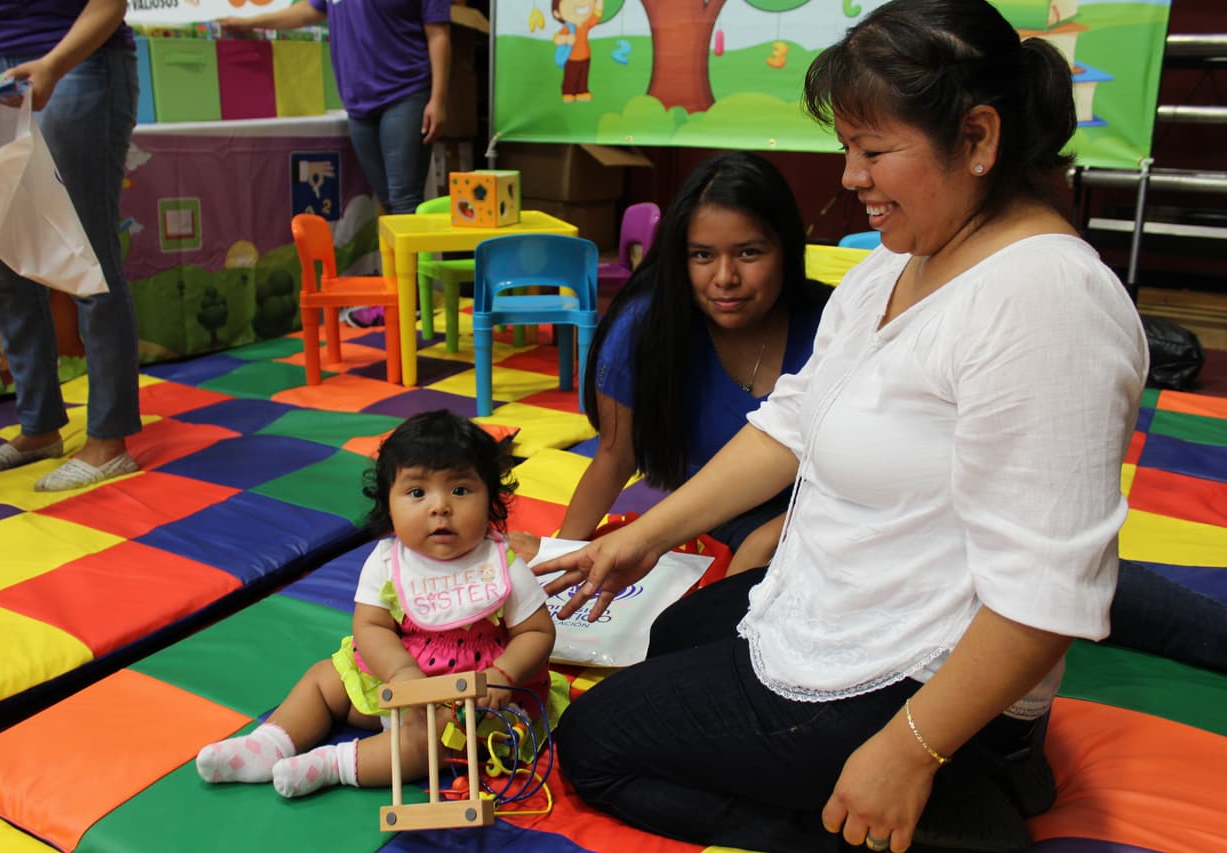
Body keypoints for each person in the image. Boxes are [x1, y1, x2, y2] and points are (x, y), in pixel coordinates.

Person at [535, 2, 1155, 851]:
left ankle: (941, 806)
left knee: (592, 746)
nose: (851, 177)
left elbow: (1046, 596)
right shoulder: (897, 258)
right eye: (846, 150)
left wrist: (907, 749)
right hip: (846, 598)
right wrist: (645, 534)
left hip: (920, 678)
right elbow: (791, 420)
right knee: (672, 632)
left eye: (873, 151)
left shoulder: (1048, 304)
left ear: (977, 139)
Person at [196, 410, 558, 799]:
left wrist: (504, 674)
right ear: (389, 503)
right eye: (417, 493)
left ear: (491, 499)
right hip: (391, 681)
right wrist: (400, 671)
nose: (440, 507)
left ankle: (335, 764)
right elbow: (370, 626)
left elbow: (537, 631)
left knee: (436, 740)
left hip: (468, 699)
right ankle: (271, 743)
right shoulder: (388, 562)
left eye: (460, 490)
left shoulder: (501, 565)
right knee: (323, 679)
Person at [510, 151, 831, 576]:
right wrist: (556, 555)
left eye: (749, 253)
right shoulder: (645, 329)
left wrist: (774, 533)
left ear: (787, 250)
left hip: (819, 518)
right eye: (701, 255)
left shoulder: (832, 322)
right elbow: (613, 457)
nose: (724, 277)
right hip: (697, 520)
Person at [0, 0, 141, 491]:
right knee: (0, 258)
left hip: (76, 60)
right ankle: (39, 427)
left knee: (85, 251)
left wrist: (55, 63)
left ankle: (108, 438)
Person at [219, 0, 450, 216]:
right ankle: (398, 260)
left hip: (406, 92)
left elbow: (438, 34)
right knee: (388, 202)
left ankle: (411, 260)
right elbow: (309, 11)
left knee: (404, 200)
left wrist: (438, 100)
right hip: (359, 102)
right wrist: (249, 22)